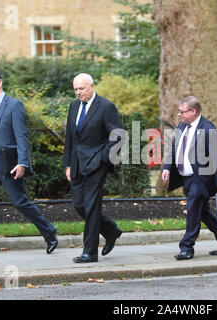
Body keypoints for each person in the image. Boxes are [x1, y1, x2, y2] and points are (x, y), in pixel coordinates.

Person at [0, 67, 58, 255]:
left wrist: (22, 163)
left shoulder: (14, 105)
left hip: (8, 163)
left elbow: (21, 136)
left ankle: (50, 232)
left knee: (20, 201)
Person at [162, 96, 217, 260]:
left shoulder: (208, 129)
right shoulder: (183, 125)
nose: (179, 115)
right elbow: (175, 147)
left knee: (193, 210)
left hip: (202, 178)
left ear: (193, 111)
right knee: (202, 212)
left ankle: (187, 247)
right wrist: (167, 167)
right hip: (186, 178)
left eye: (182, 112)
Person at [63, 73, 123, 263]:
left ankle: (89, 252)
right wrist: (68, 165)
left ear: (92, 86)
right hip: (77, 164)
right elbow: (70, 138)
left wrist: (103, 158)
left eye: (82, 88)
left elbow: (119, 135)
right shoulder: (73, 106)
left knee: (91, 207)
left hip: (96, 165)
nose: (78, 92)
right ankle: (111, 230)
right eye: (76, 89)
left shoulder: (106, 107)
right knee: (79, 205)